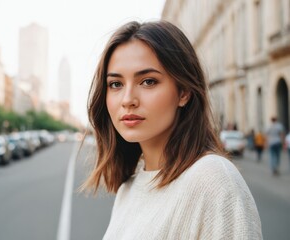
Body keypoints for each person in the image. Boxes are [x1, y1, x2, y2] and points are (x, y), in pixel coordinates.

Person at [83, 21, 262, 239]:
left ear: (184, 92)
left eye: (148, 81)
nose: (128, 100)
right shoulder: (127, 190)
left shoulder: (212, 179)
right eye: (116, 84)